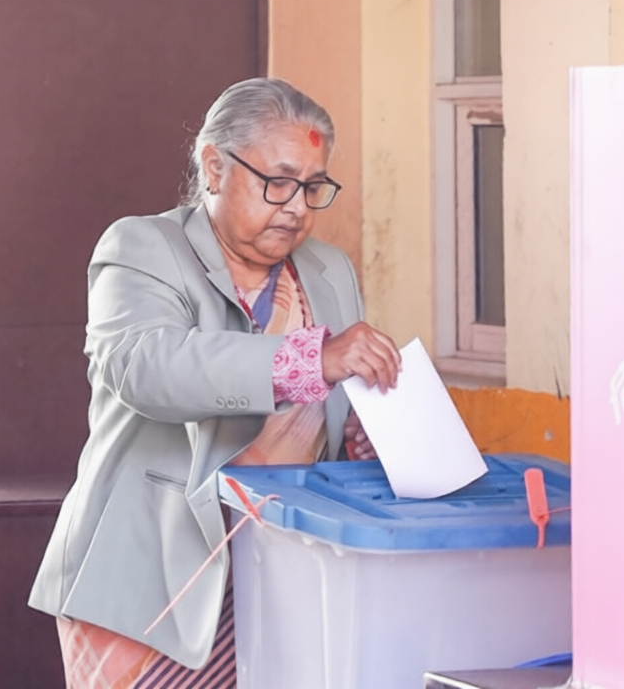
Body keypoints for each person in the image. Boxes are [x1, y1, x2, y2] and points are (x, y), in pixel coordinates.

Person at [28, 78, 402, 687]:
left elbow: (329, 416)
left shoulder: (328, 269)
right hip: (154, 581)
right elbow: (148, 367)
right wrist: (311, 360)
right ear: (214, 167)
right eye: (278, 182)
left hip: (284, 573)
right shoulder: (145, 248)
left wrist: (373, 429)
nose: (297, 208)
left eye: (313, 187)